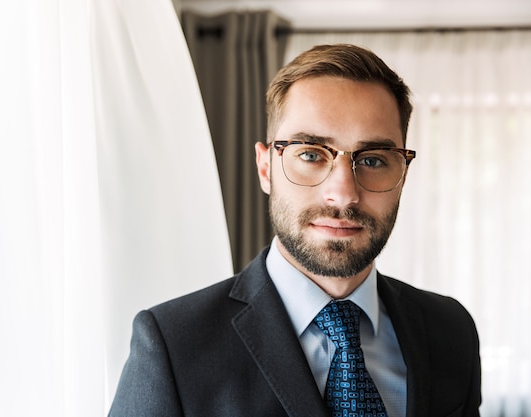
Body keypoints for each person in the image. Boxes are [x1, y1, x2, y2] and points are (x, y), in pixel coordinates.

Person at [108, 44, 481, 417]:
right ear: (266, 168)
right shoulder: (173, 345)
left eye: (372, 160)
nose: (343, 194)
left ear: (402, 175)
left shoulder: (450, 331)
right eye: (310, 154)